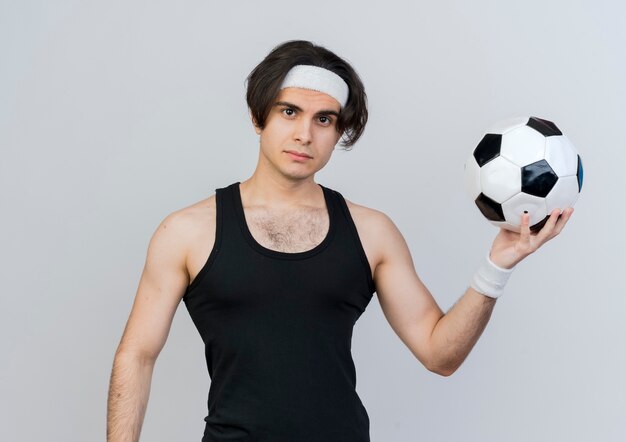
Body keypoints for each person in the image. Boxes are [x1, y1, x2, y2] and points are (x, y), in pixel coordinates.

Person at [106, 40, 574, 441]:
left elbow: (440, 354)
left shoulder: (372, 232)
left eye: (324, 120)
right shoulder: (188, 231)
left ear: (339, 133)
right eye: (289, 112)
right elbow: (138, 354)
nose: (304, 134)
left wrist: (498, 265)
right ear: (258, 117)